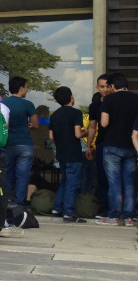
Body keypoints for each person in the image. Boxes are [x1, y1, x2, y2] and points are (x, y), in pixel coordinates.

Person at [98, 72, 138, 225]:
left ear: (113, 86)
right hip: (130, 146)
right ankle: (129, 217)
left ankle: (114, 216)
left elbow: (104, 123)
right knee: (129, 183)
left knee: (114, 183)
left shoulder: (109, 99)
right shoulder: (136, 98)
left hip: (112, 145)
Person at [48, 86, 87, 224]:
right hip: (73, 153)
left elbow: (51, 137)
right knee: (72, 183)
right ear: (71, 97)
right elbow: (78, 134)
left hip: (61, 153)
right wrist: (87, 132)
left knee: (64, 181)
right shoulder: (76, 113)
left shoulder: (55, 115)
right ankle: (69, 213)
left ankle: (57, 208)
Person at [2, 76, 38, 205]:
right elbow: (35, 124)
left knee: (7, 175)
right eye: (26, 87)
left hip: (8, 143)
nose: (27, 90)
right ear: (21, 88)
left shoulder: (2, 103)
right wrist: (28, 124)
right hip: (25, 143)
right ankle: (18, 205)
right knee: (23, 177)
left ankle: (3, 203)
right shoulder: (28, 104)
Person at [87, 74, 111, 218]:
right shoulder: (94, 106)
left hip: (118, 143)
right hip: (101, 143)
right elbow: (92, 127)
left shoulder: (118, 102)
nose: (105, 89)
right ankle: (105, 208)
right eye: (102, 86)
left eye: (108, 86)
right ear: (97, 88)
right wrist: (89, 146)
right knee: (102, 177)